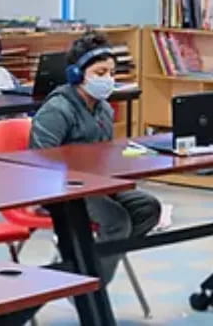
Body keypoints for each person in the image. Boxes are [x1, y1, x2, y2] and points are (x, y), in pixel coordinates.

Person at [29, 31, 161, 285]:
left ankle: (82, 270)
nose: (108, 80)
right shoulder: (57, 109)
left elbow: (104, 154)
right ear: (76, 75)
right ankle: (90, 291)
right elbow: (38, 164)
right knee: (117, 221)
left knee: (147, 208)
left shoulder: (103, 108)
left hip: (97, 185)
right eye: (100, 73)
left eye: (111, 73)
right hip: (62, 190)